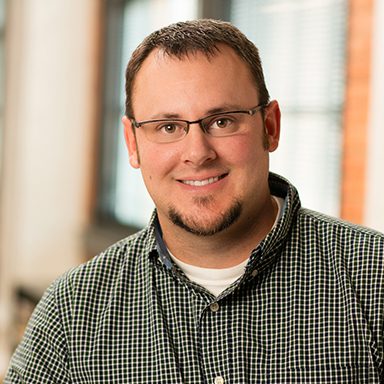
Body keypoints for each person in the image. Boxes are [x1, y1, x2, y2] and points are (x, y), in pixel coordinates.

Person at [5, 19, 384, 383]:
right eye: (168, 127)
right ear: (132, 143)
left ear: (270, 127)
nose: (197, 153)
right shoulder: (71, 311)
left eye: (222, 121)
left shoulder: (375, 279)